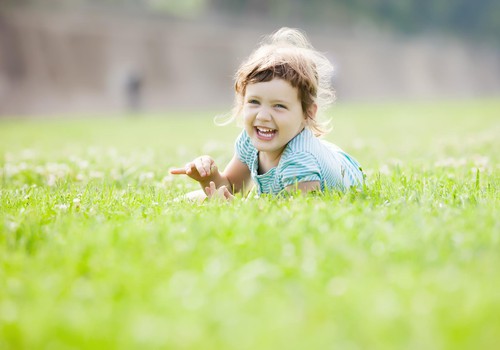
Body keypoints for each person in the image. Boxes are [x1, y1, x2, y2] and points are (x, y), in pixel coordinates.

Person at [170, 27, 364, 201]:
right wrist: (209, 177)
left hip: (345, 171)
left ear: (308, 113)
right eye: (254, 102)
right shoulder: (250, 141)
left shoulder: (300, 161)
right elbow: (232, 187)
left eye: (278, 106)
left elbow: (298, 216)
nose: (263, 116)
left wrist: (235, 210)